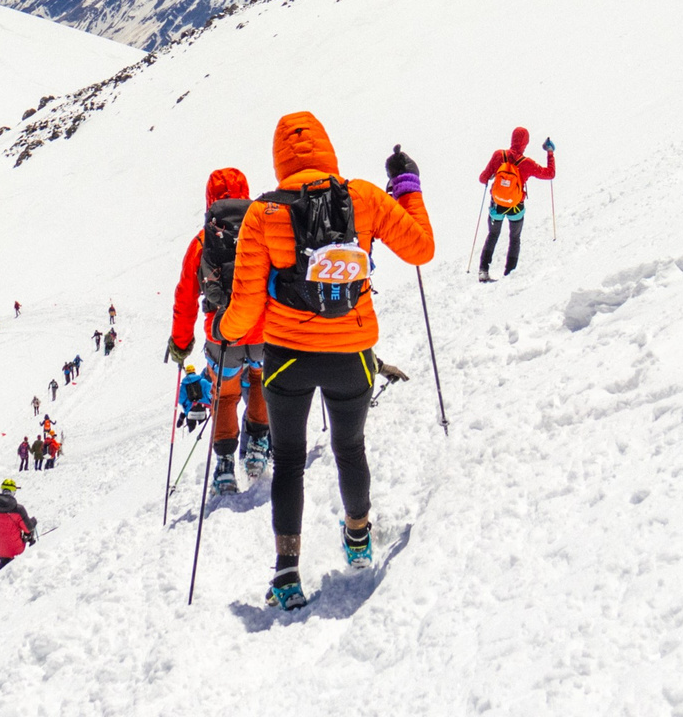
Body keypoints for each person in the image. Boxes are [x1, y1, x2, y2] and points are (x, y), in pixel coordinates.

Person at [223, 113, 434, 610]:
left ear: (280, 156)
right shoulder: (361, 196)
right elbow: (421, 248)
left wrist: (220, 332)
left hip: (285, 361)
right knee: (350, 446)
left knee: (290, 461)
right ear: (327, 148)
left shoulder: (262, 213)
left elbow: (245, 312)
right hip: (352, 351)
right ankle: (358, 538)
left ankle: (288, 573)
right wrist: (407, 185)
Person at [167, 166, 273, 493]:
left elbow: (185, 296)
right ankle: (257, 448)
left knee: (225, 399)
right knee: (259, 383)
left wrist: (181, 343)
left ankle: (225, 466)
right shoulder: (265, 228)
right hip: (263, 330)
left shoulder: (202, 242)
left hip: (222, 334)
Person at [476, 128, 555, 281]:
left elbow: (482, 178)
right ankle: (509, 273)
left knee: (493, 234)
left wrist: (493, 174)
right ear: (525, 143)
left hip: (497, 205)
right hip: (516, 207)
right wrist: (550, 152)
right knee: (515, 237)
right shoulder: (527, 163)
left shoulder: (499, 155)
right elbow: (549, 174)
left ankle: (483, 270)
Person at [0, 479, 37, 568]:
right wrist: (33, 521)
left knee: (3, 566)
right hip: (16, 549)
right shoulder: (18, 510)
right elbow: (28, 528)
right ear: (12, 492)